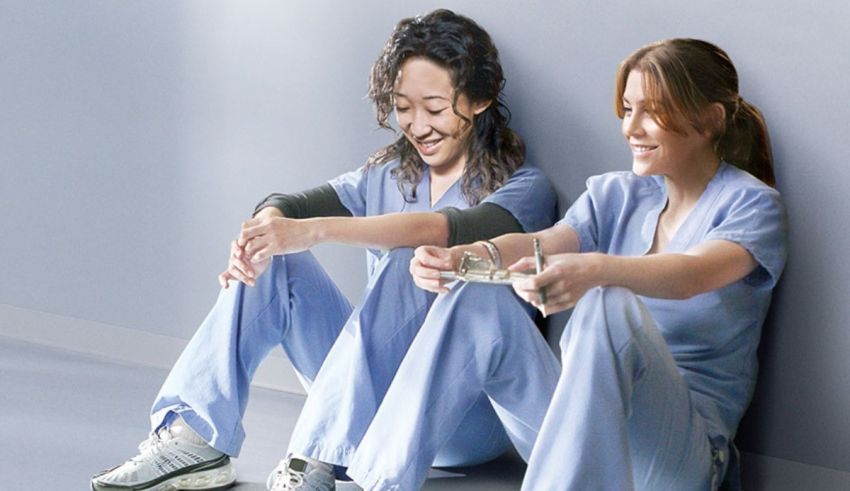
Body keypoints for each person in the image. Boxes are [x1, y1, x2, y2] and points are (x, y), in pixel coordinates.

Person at [90, 9, 558, 491]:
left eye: (435, 108)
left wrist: (314, 231)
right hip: (370, 399)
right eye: (403, 107)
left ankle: (309, 463)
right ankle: (195, 440)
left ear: (478, 99)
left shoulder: (525, 189)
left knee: (407, 255)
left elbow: (446, 229)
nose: (417, 126)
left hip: (463, 417)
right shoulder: (387, 175)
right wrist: (264, 233)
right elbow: (289, 204)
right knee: (277, 253)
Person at [339, 38, 787, 490]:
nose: (632, 127)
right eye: (627, 110)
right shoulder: (618, 193)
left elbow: (694, 273)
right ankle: (380, 482)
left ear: (711, 120)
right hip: (577, 439)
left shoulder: (751, 205)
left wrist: (595, 271)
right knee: (476, 294)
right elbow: (543, 242)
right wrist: (463, 258)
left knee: (608, 305)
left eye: (651, 111)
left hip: (675, 461)